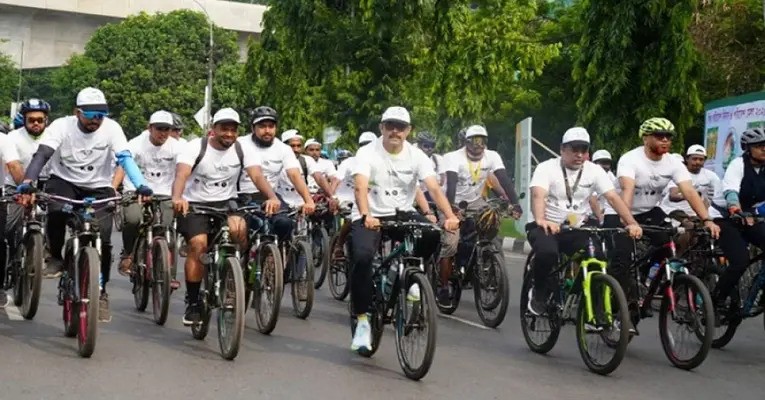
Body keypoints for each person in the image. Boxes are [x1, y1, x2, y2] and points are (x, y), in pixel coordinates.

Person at [16, 87, 153, 322]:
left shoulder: (112, 128)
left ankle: (100, 292)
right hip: (64, 182)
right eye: (90, 115)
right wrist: (28, 181)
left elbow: (125, 158)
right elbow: (42, 155)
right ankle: (57, 256)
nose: (96, 120)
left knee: (106, 238)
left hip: (98, 186)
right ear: (77, 112)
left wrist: (141, 184)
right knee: (56, 211)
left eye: (101, 115)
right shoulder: (61, 126)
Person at [349, 106, 460, 352]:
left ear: (408, 131)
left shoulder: (417, 156)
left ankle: (411, 279)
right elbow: (360, 187)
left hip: (402, 212)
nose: (395, 131)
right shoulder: (367, 152)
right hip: (371, 214)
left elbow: (433, 188)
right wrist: (366, 215)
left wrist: (449, 216)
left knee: (432, 232)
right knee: (363, 257)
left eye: (401, 127)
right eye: (390, 126)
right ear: (381, 127)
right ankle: (363, 322)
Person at [603, 117, 720, 327]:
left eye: (668, 137)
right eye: (659, 136)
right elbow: (627, 192)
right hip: (619, 211)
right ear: (646, 138)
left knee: (670, 243)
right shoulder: (630, 160)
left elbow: (690, 192)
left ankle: (646, 276)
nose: (665, 140)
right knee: (622, 260)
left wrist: (707, 219)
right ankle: (619, 301)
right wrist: (628, 222)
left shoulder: (673, 162)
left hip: (649, 211)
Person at [171, 108, 280, 325]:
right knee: (198, 246)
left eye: (233, 130)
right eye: (224, 129)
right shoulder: (195, 147)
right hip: (196, 204)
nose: (228, 134)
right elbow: (182, 174)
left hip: (227, 204)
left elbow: (257, 175)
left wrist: (272, 197)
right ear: (214, 129)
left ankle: (234, 278)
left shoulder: (241, 149)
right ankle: (193, 302)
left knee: (239, 231)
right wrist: (177, 197)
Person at [526, 128, 642, 315]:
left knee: (598, 256)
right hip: (546, 226)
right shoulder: (546, 168)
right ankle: (538, 291)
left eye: (584, 150)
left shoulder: (594, 171)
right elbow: (538, 194)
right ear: (562, 149)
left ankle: (591, 300)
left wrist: (631, 222)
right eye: (574, 149)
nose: (579, 155)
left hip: (576, 228)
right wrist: (541, 219)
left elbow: (613, 197)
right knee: (547, 253)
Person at [438, 125, 523, 304]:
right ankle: (443, 286)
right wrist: (451, 212)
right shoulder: (453, 158)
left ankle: (487, 260)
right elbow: (451, 185)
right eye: (474, 141)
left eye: (482, 141)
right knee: (451, 244)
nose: (478, 145)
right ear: (466, 142)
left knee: (492, 220)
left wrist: (515, 204)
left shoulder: (492, 156)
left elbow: (504, 180)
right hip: (451, 201)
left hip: (476, 202)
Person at [113, 110, 184, 284]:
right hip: (136, 189)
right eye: (159, 128)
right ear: (149, 128)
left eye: (167, 129)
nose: (163, 133)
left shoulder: (177, 146)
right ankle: (128, 253)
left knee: (167, 229)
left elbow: (185, 170)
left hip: (165, 192)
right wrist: (114, 188)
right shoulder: (136, 143)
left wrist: (181, 195)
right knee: (133, 219)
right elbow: (124, 165)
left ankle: (168, 274)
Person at [236, 107, 316, 243]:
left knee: (285, 223)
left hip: (272, 196)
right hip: (241, 196)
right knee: (243, 229)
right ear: (252, 128)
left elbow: (295, 175)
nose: (267, 131)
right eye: (262, 126)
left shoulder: (283, 149)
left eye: (271, 126)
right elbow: (256, 175)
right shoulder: (239, 144)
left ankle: (276, 257)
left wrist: (308, 200)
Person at [711, 127, 765, 312]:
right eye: (759, 146)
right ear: (747, 148)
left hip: (749, 215)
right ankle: (717, 299)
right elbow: (731, 191)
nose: (764, 149)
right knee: (740, 261)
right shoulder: (738, 164)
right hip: (724, 216)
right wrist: (735, 208)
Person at [330, 132, 377, 257]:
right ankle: (339, 245)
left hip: (369, 198)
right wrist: (333, 197)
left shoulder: (379, 162)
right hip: (347, 197)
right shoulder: (349, 162)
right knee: (352, 219)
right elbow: (336, 180)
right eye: (364, 145)